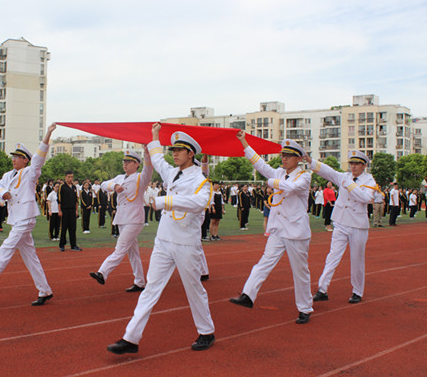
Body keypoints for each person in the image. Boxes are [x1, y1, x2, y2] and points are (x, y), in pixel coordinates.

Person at [107, 125, 215, 355]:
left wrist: (166, 201)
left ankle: (206, 331)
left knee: (194, 288)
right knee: (151, 288)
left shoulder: (201, 180)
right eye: (173, 149)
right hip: (164, 240)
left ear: (191, 154)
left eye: (179, 150)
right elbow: (157, 159)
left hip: (186, 242)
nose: (174, 154)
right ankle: (131, 337)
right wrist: (154, 137)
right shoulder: (172, 172)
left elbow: (198, 203)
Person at [0, 123, 56, 306]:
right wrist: (2, 193)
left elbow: (39, 158)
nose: (14, 159)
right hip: (16, 219)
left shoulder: (30, 172)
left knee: (5, 249)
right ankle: (45, 290)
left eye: (18, 157)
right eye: (13, 156)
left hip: (25, 217)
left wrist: (47, 134)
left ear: (25, 160)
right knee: (31, 257)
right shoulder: (8, 175)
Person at [229, 133, 313, 324]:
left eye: (288, 156)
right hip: (278, 229)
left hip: (296, 232)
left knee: (300, 271)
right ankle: (248, 295)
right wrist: (244, 143)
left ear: (298, 159)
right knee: (264, 262)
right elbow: (259, 164)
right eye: (283, 155)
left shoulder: (304, 176)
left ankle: (305, 307)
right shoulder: (278, 173)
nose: (283, 158)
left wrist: (270, 182)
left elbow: (290, 188)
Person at [308, 150, 377, 304]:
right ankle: (322, 289)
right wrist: (310, 161)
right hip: (341, 222)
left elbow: (365, 198)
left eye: (357, 164)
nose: (353, 167)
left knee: (357, 260)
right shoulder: (344, 177)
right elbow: (328, 172)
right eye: (351, 163)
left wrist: (351, 185)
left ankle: (357, 291)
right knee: (332, 256)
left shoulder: (370, 181)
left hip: (358, 226)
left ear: (364, 165)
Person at [90, 149, 152, 292]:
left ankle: (102, 273)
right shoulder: (119, 177)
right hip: (122, 218)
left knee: (120, 248)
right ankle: (140, 281)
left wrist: (147, 154)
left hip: (134, 218)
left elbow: (148, 168)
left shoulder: (140, 178)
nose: (125, 164)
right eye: (124, 161)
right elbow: (104, 185)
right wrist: (115, 186)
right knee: (132, 252)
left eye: (129, 162)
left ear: (136, 164)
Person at [58, 171, 81, 251]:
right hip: (65, 210)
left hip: (72, 210)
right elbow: (59, 200)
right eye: (69, 177)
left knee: (73, 228)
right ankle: (62, 245)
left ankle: (73, 245)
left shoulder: (74, 187)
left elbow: (76, 200)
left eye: (71, 177)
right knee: (64, 228)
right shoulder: (62, 187)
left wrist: (76, 210)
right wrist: (60, 210)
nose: (70, 178)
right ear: (65, 177)